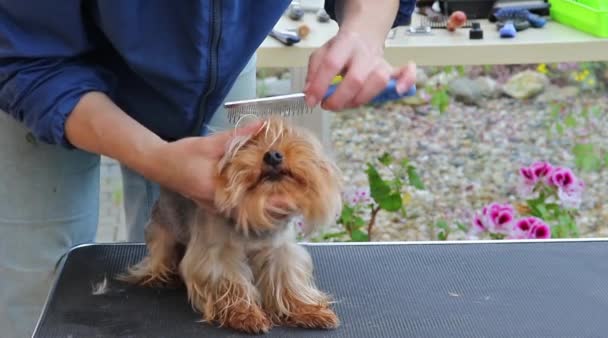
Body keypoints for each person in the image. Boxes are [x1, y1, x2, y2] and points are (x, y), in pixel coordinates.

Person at [0, 0, 416, 336]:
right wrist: (157, 159)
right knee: (38, 284)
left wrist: (364, 27)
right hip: (39, 59)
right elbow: (27, 57)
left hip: (216, 58)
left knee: (213, 257)